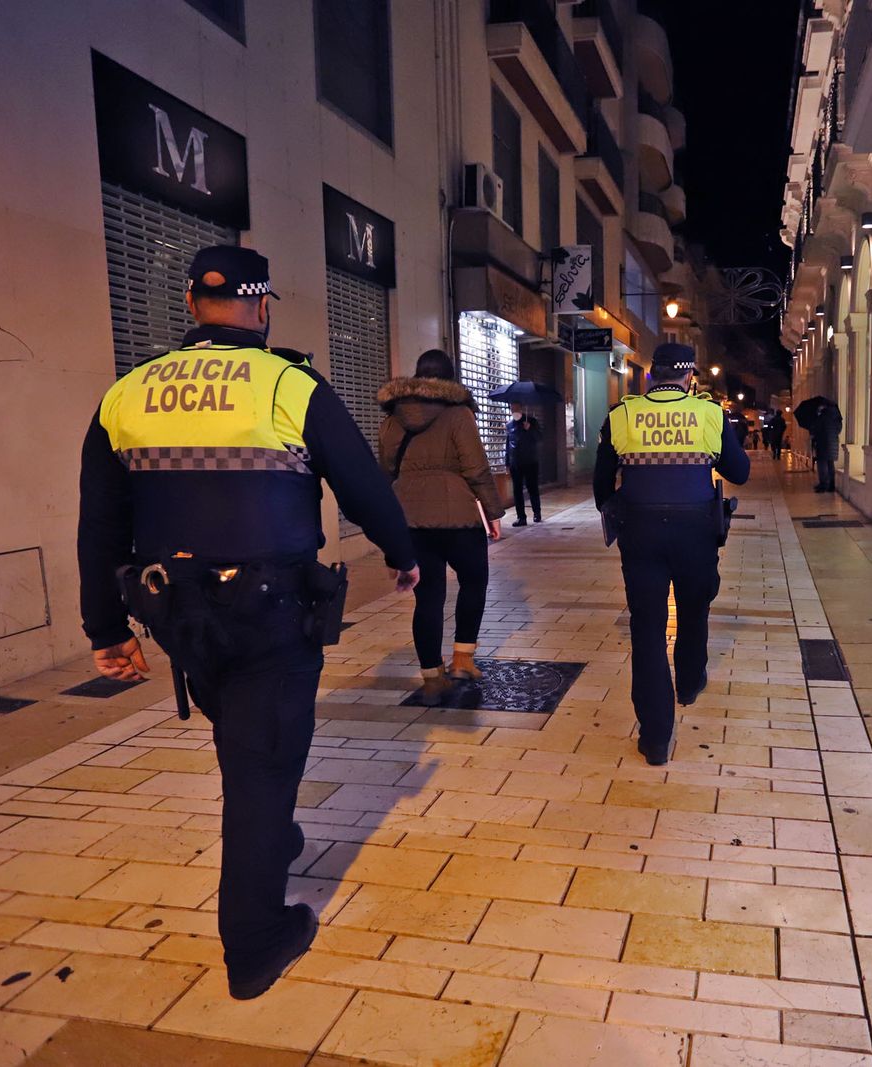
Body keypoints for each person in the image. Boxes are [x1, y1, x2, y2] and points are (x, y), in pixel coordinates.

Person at [78, 245, 418, 1000]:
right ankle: (255, 942)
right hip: (271, 611)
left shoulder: (128, 393)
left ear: (191, 305)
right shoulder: (287, 384)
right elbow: (362, 484)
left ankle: (274, 837)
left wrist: (106, 628)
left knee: (242, 737)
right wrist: (404, 555)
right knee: (263, 763)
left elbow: (99, 522)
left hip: (178, 615)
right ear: (262, 307)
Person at [595, 343, 750, 765]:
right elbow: (740, 472)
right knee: (694, 607)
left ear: (651, 374)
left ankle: (655, 738)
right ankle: (689, 682)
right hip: (696, 529)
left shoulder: (621, 415)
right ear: (688, 377)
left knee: (647, 629)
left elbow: (601, 488)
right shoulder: (709, 413)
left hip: (640, 531)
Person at [379, 350, 506, 705]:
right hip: (459, 517)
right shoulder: (459, 413)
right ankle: (463, 660)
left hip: (410, 518)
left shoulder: (393, 418)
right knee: (474, 581)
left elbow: (385, 472)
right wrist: (493, 513)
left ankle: (432, 676)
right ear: (450, 379)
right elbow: (476, 468)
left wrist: (387, 527)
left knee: (428, 597)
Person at [505, 406, 544, 526]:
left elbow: (539, 437)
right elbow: (508, 445)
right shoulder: (509, 425)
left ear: (521, 408)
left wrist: (530, 429)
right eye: (512, 408)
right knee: (517, 491)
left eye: (516, 407)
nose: (514, 410)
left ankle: (537, 513)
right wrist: (507, 463)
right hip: (515, 463)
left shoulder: (531, 421)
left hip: (530, 461)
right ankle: (521, 517)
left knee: (532, 488)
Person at [813, 399, 843, 492]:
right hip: (833, 443)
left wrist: (817, 417)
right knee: (830, 464)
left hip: (823, 443)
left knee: (822, 464)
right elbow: (838, 430)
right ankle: (831, 485)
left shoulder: (823, 416)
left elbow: (816, 429)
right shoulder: (837, 416)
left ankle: (823, 485)